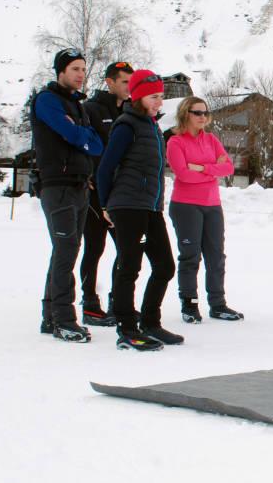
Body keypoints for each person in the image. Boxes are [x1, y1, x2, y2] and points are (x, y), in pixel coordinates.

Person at [95, 70, 180, 351]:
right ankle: (127, 328)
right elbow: (106, 167)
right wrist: (105, 204)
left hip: (150, 206)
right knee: (129, 265)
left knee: (165, 266)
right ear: (138, 96)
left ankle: (150, 322)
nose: (160, 102)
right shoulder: (127, 125)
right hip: (128, 205)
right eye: (154, 97)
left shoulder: (152, 127)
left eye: (161, 97)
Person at [30, 48, 103, 342]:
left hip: (79, 185)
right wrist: (80, 136)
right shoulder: (47, 100)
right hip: (57, 185)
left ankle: (50, 316)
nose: (81, 74)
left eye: (83, 69)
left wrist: (80, 135)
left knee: (67, 250)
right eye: (75, 69)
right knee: (66, 251)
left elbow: (96, 144)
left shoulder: (79, 106)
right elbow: (73, 135)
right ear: (60, 71)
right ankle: (64, 319)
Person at [165, 96, 242, 323]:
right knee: (190, 257)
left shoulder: (211, 140)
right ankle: (190, 305)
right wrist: (212, 170)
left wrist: (201, 168)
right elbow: (183, 175)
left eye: (205, 113)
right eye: (197, 112)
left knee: (216, 257)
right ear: (185, 114)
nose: (202, 117)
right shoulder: (176, 142)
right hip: (186, 206)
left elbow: (228, 167)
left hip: (212, 205)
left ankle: (218, 305)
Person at [80, 61, 134, 325]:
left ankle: (118, 302)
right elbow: (82, 143)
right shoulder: (90, 109)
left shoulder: (133, 112)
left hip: (121, 194)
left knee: (126, 249)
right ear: (110, 82)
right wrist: (88, 173)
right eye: (124, 81)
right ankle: (90, 303)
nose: (128, 87)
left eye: (131, 82)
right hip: (95, 193)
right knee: (94, 247)